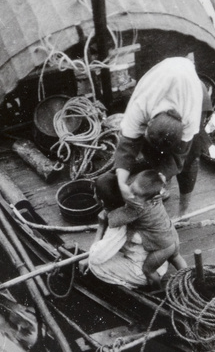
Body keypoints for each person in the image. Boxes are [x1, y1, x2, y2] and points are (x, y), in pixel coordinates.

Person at [95, 56, 208, 218]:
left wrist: (161, 176)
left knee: (190, 158)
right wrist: (121, 183)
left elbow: (180, 155)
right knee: (153, 155)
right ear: (147, 124)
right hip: (164, 77)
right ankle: (164, 182)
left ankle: (183, 211)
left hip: (194, 88)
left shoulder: (190, 118)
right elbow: (127, 145)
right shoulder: (141, 106)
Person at [88, 170, 186, 288]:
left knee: (148, 270)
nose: (130, 195)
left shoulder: (137, 209)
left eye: (135, 194)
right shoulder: (154, 197)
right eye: (131, 189)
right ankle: (190, 276)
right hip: (171, 235)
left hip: (163, 248)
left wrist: (105, 217)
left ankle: (157, 289)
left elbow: (113, 221)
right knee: (176, 257)